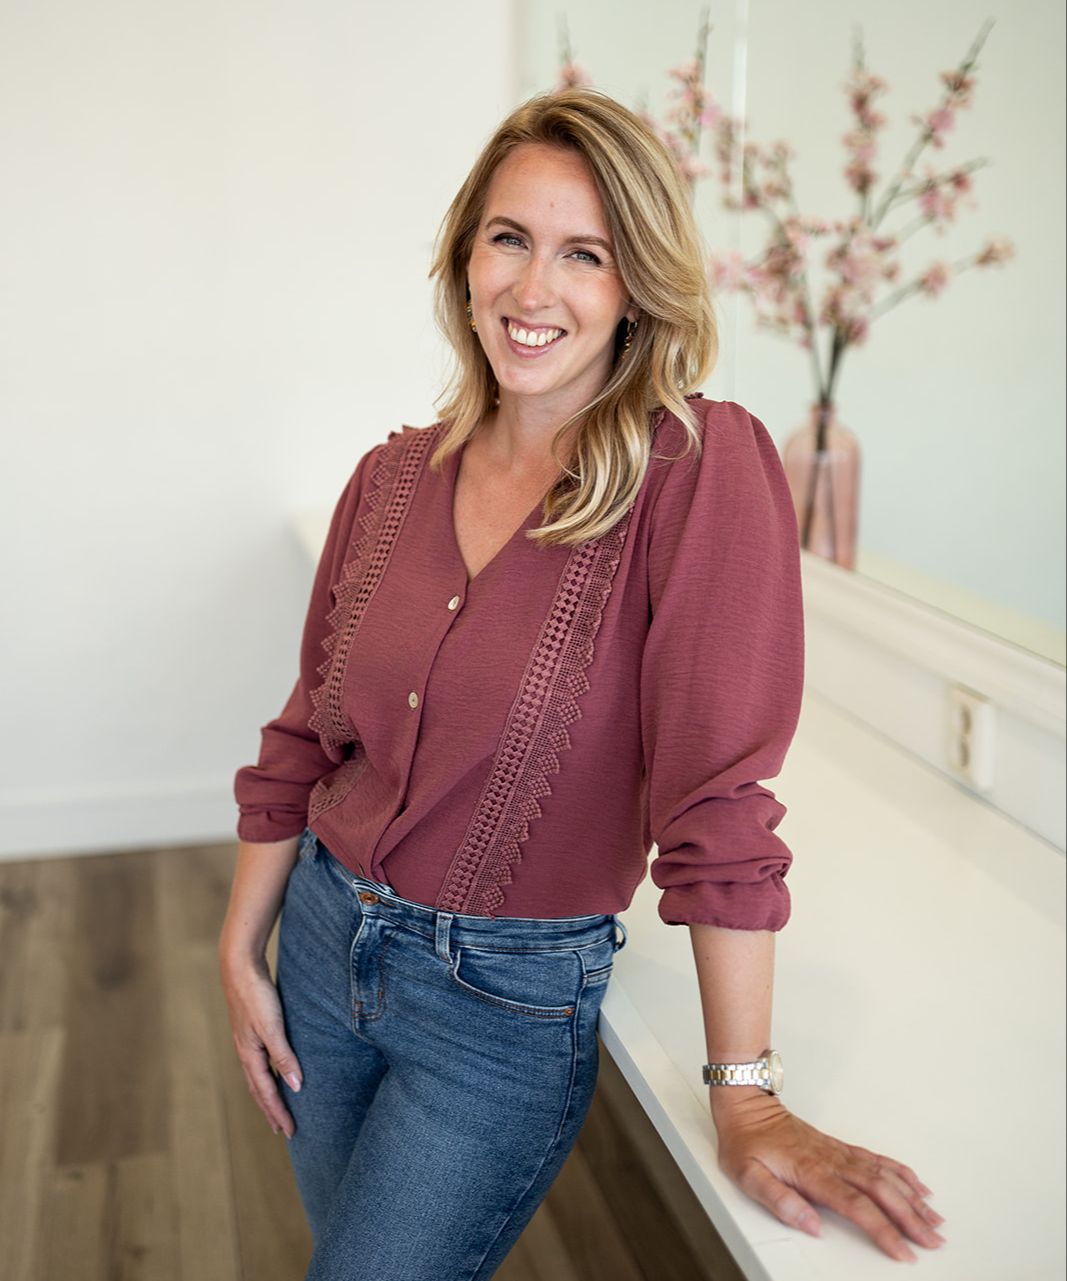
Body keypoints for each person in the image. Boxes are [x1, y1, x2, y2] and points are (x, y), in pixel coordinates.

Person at [219, 87, 946, 1279]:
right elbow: (305, 737)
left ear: (635, 288)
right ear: (464, 259)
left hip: (497, 1010)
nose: (532, 287)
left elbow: (718, 802)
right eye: (508, 238)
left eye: (584, 254)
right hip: (316, 939)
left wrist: (746, 1094)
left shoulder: (696, 475)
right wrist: (236, 949)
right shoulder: (389, 479)